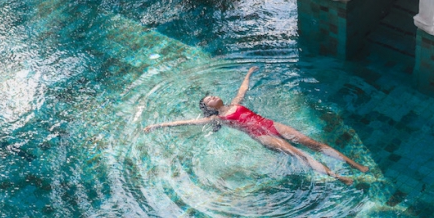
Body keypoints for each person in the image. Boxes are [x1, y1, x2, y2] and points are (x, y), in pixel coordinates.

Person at [144, 67, 368, 184]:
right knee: (301, 154)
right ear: (209, 108)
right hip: (261, 135)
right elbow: (185, 122)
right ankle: (339, 177)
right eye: (208, 100)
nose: (212, 97)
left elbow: (243, 88)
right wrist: (158, 125)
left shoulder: (235, 102)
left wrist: (249, 73)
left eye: (211, 95)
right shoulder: (216, 119)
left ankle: (355, 165)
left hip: (271, 125)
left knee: (315, 144)